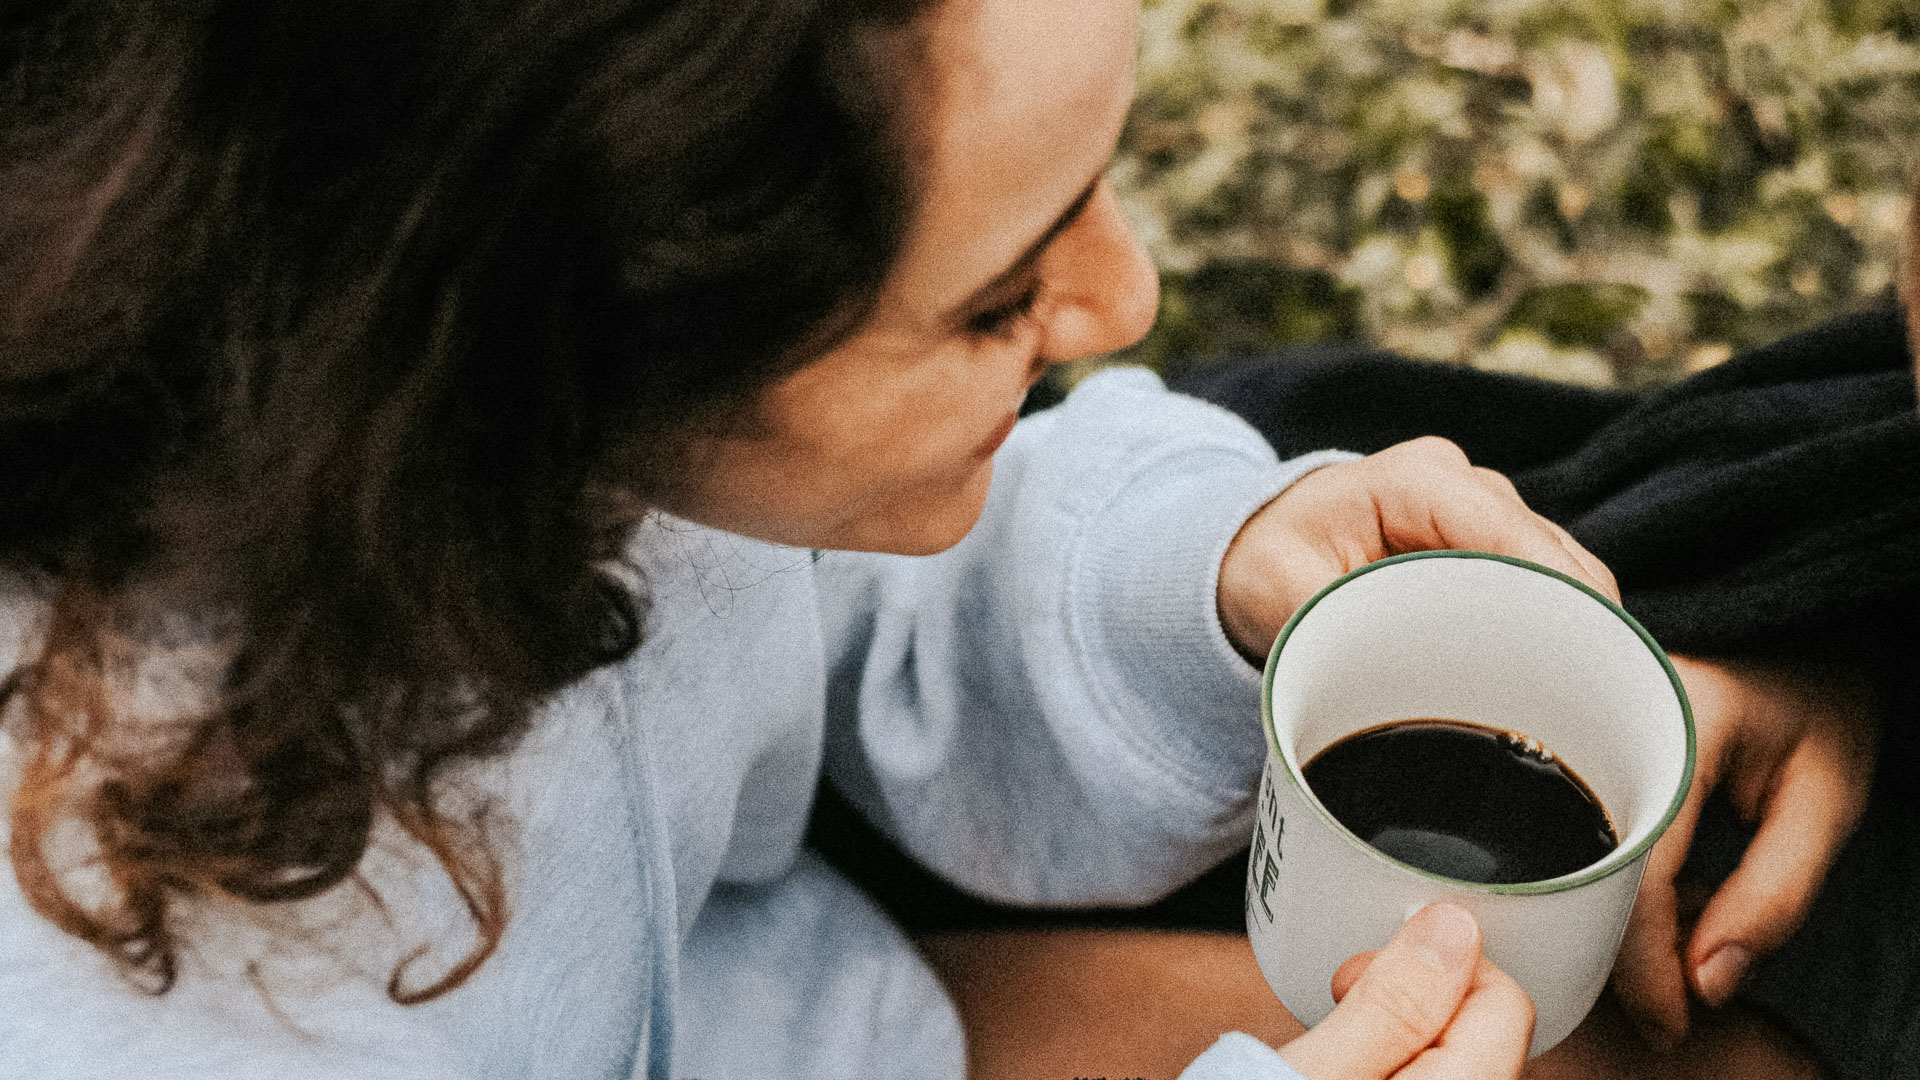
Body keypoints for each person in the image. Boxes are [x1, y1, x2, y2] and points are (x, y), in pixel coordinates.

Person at [0, 0, 1646, 1078]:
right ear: (555, 350)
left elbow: (838, 585)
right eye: (1000, 295)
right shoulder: (111, 1014)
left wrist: (1199, 579)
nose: (1125, 301)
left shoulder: (574, 433)